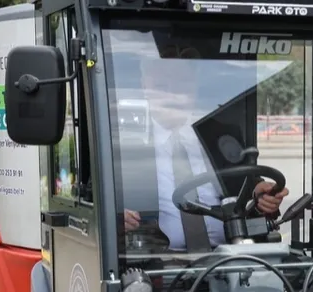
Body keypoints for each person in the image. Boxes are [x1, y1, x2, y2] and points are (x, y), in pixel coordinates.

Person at [120, 45, 288, 251]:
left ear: (194, 87)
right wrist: (117, 218)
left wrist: (262, 196)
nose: (173, 94)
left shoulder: (221, 135)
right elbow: (98, 203)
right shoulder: (125, 145)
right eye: (161, 85)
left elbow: (249, 186)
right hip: (155, 260)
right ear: (144, 86)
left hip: (230, 255)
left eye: (182, 84)